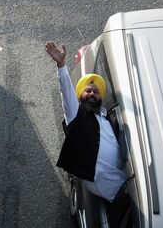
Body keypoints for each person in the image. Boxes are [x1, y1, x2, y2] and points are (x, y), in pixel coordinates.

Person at [45, 42, 131, 226]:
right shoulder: (76, 115)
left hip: (125, 174)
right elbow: (66, 92)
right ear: (80, 95)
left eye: (96, 92)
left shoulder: (104, 118)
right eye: (88, 91)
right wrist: (61, 65)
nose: (92, 93)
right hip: (104, 179)